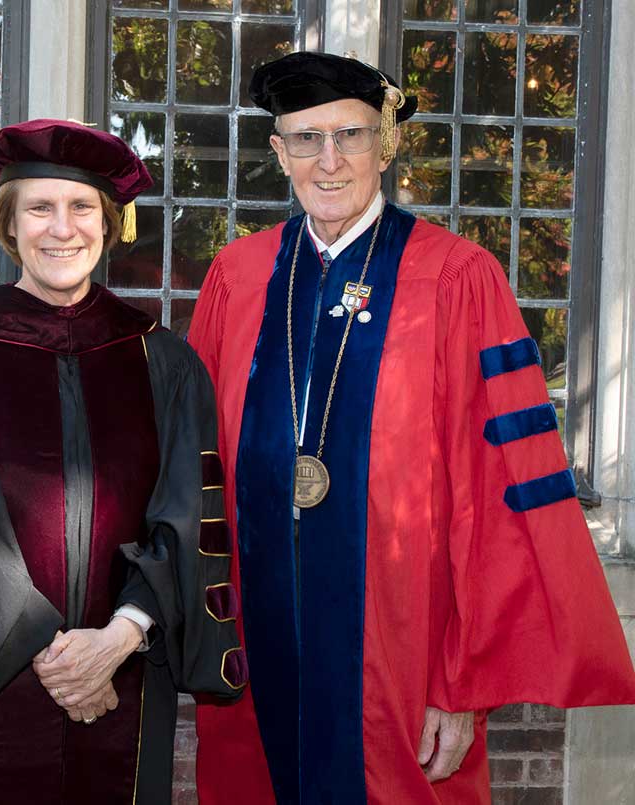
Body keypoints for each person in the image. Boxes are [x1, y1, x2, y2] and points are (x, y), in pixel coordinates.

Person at [189, 52, 635, 805]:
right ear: (278, 152)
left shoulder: (459, 279)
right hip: (255, 664)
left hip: (404, 666)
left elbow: (498, 493)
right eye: (305, 139)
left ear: (387, 145)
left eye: (351, 136)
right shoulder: (237, 277)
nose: (328, 161)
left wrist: (464, 682)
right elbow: (192, 473)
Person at [0, 119, 246, 804]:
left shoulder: (163, 360)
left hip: (126, 677)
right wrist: (60, 658)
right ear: (10, 225)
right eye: (39, 208)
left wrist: (120, 636)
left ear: (110, 223)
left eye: (81, 207)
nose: (62, 228)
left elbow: (188, 517)